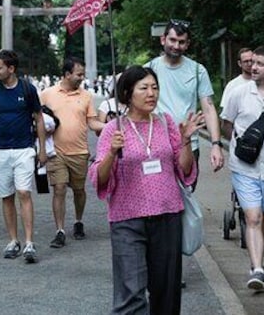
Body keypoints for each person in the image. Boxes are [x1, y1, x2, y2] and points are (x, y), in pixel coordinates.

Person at [89, 65, 202, 315]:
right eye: (144, 88)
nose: (151, 93)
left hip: (167, 215)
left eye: (155, 87)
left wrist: (185, 141)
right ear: (128, 93)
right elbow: (100, 178)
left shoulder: (165, 122)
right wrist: (111, 153)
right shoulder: (113, 129)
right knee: (131, 291)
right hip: (127, 220)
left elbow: (184, 171)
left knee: (166, 291)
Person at [220, 46, 264, 290]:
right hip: (244, 167)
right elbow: (226, 124)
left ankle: (258, 262)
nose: (254, 67)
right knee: (252, 216)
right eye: (253, 63)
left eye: (260, 63)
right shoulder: (238, 93)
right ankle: (257, 269)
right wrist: (241, 145)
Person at [0, 49, 47, 263]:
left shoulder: (27, 89)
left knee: (24, 192)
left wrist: (42, 149)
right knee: (6, 196)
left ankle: (29, 242)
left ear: (11, 69)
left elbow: (39, 119)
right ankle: (13, 240)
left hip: (23, 149)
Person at [146, 19, 224, 183]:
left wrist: (216, 144)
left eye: (181, 42)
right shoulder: (149, 69)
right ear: (163, 39)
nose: (176, 46)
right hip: (156, 144)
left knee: (186, 193)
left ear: (187, 44)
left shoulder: (197, 70)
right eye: (172, 40)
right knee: (158, 197)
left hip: (188, 145)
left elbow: (209, 109)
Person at [39, 57, 105, 248]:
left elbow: (92, 122)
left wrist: (109, 126)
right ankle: (59, 230)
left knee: (79, 190)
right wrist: (41, 147)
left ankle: (78, 221)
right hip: (56, 152)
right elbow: (37, 120)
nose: (82, 78)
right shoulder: (47, 94)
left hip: (79, 151)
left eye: (83, 74)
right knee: (58, 189)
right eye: (79, 74)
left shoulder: (86, 96)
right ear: (67, 74)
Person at [220, 47, 253, 112]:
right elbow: (225, 111)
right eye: (246, 61)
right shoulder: (232, 85)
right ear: (239, 63)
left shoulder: (262, 82)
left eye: (251, 60)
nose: (249, 64)